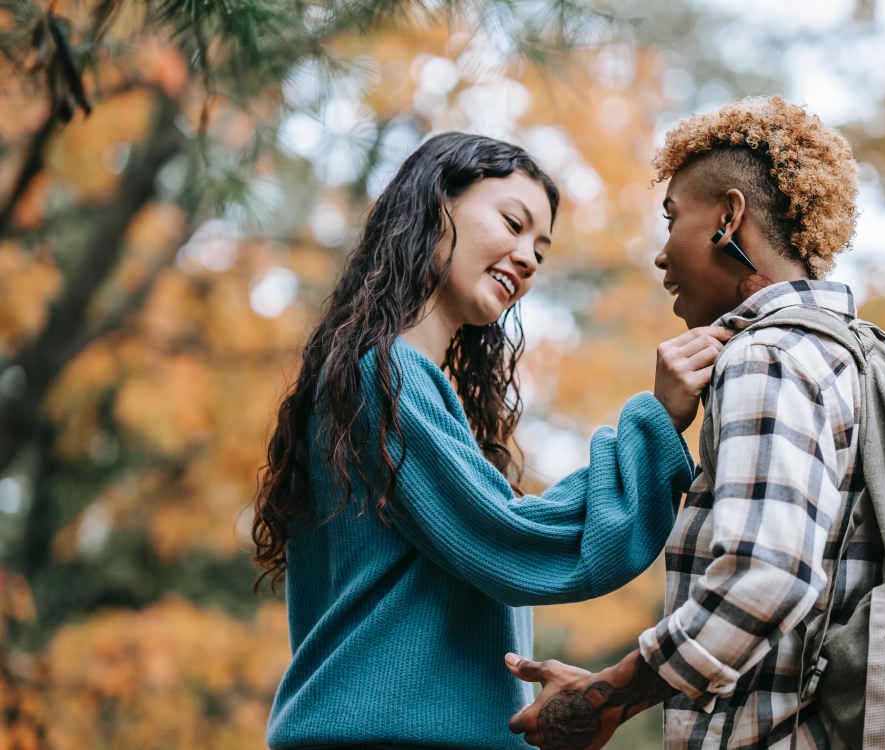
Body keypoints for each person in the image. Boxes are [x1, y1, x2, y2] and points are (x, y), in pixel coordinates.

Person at [251, 132, 730, 750]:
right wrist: (656, 423)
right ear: (434, 206)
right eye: (512, 222)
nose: (528, 257)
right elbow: (514, 542)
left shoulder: (393, 381)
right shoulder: (383, 375)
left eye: (541, 249)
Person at [506, 96, 875, 750]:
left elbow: (767, 576)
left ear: (728, 217)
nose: (659, 255)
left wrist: (610, 697)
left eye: (671, 217)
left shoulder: (768, 358)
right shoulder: (856, 359)